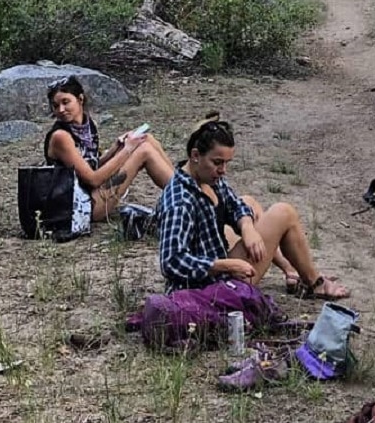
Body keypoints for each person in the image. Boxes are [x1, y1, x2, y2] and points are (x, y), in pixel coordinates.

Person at [155, 113, 349, 299]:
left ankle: (292, 270)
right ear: (196, 155)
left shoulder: (207, 177)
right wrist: (225, 266)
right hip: (208, 288)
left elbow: (235, 204)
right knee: (283, 212)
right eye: (218, 162)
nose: (223, 170)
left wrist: (247, 228)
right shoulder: (179, 202)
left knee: (248, 203)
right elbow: (171, 262)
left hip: (214, 257)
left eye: (226, 163)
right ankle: (315, 283)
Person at [44, 76, 175, 222]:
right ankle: (187, 195)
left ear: (80, 99)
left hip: (92, 192)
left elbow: (90, 166)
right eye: (56, 106)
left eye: (65, 102)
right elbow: (93, 180)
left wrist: (115, 149)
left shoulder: (86, 126)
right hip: (81, 207)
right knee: (144, 150)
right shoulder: (60, 137)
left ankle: (186, 189)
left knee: (146, 138)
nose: (61, 110)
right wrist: (127, 150)